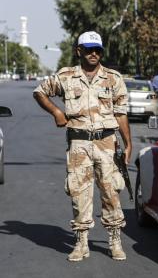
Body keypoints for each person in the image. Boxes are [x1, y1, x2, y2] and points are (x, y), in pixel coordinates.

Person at [33, 31, 131, 262]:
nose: (94, 54)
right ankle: (81, 242)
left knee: (111, 192)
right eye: (88, 49)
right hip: (78, 143)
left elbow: (121, 113)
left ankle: (115, 240)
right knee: (79, 193)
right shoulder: (66, 76)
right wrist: (56, 111)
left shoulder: (113, 78)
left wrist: (128, 144)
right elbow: (40, 92)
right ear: (79, 51)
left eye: (98, 50)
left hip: (107, 142)